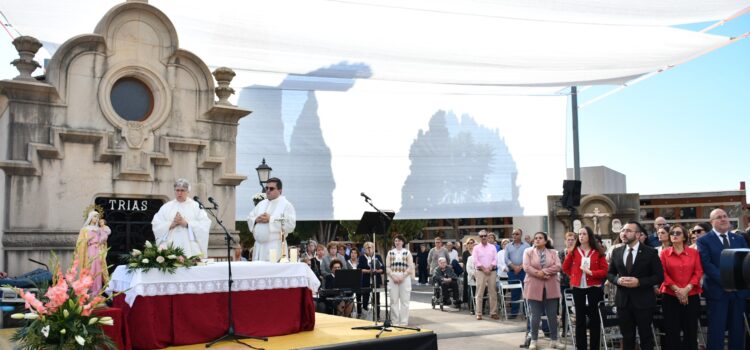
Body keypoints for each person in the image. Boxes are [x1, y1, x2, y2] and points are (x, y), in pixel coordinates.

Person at [606, 221, 664, 350]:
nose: (624, 233)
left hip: (643, 302)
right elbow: (610, 274)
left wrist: (639, 282)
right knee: (627, 337)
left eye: (628, 231)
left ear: (638, 235)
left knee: (646, 336)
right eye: (623, 231)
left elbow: (659, 276)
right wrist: (617, 280)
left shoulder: (650, 252)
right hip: (623, 302)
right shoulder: (617, 252)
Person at [698, 208, 749, 350]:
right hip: (717, 292)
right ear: (711, 222)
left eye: (725, 216)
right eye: (719, 217)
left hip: (738, 292)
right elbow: (707, 265)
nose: (723, 219)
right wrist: (727, 281)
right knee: (716, 331)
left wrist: (738, 283)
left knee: (737, 330)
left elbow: (746, 261)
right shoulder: (704, 241)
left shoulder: (739, 239)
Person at [563, 227, 608, 350]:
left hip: (594, 287)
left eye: (584, 234)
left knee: (595, 318)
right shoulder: (573, 251)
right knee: (580, 319)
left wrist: (592, 273)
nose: (581, 236)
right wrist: (574, 276)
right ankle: (581, 347)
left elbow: (605, 271)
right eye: (580, 234)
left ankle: (595, 347)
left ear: (590, 236)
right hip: (578, 288)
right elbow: (565, 267)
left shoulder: (598, 251)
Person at [659, 224, 702, 350]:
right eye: (672, 233)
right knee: (672, 331)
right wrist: (678, 290)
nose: (674, 235)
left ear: (684, 237)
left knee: (691, 330)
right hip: (670, 296)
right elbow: (663, 273)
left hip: (691, 295)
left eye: (678, 233)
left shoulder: (694, 253)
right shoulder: (664, 253)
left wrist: (686, 289)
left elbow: (698, 272)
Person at [523, 232, 564, 350]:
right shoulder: (528, 252)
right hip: (533, 286)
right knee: (535, 315)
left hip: (550, 286)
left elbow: (558, 266)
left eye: (540, 238)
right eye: (535, 238)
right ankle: (534, 340)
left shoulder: (553, 253)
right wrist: (539, 274)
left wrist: (544, 272)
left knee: (552, 315)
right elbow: (526, 267)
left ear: (545, 241)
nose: (537, 240)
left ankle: (554, 340)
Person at [151, 178, 211, 257]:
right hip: (170, 246)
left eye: (182, 190)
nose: (179, 193)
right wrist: (171, 224)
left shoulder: (196, 206)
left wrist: (186, 224)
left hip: (190, 247)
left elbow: (205, 224)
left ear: (188, 191)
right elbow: (156, 223)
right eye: (177, 190)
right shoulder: (166, 207)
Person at [247, 177, 296, 262]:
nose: (268, 190)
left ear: (280, 191)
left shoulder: (286, 205)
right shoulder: (261, 204)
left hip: (274, 247)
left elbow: (290, 224)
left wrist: (271, 219)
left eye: (271, 188)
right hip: (259, 247)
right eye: (266, 188)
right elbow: (250, 217)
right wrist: (256, 220)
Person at [75, 210, 111, 295]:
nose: (97, 218)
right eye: (95, 216)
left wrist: (102, 240)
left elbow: (104, 239)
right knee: (90, 269)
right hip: (89, 250)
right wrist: (87, 240)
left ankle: (97, 292)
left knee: (98, 270)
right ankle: (88, 292)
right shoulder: (85, 229)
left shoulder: (99, 229)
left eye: (98, 217)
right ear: (90, 217)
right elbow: (79, 243)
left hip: (97, 250)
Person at [386, 235, 415, 326]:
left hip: (405, 279)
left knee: (405, 301)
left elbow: (410, 267)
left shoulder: (407, 252)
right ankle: (395, 322)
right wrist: (393, 276)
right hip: (392, 278)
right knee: (393, 301)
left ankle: (403, 322)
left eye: (399, 240)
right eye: (395, 241)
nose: (397, 242)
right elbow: (387, 267)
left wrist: (403, 276)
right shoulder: (390, 253)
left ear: (403, 242)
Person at [472, 230, 498, 320]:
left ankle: (493, 313)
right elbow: (475, 260)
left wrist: (490, 268)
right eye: (481, 236)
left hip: (492, 271)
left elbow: (495, 259)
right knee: (479, 293)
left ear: (487, 236)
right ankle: (478, 313)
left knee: (493, 293)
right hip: (480, 272)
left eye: (485, 236)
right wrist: (484, 269)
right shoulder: (476, 248)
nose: (483, 237)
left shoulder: (493, 247)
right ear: (479, 237)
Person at [505, 228, 530, 318]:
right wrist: (514, 267)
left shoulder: (527, 246)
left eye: (517, 234)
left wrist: (520, 267)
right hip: (512, 272)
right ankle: (514, 313)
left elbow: (529, 258)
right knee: (514, 293)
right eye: (513, 234)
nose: (514, 236)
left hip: (524, 271)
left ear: (521, 235)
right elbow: (506, 259)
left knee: (526, 292)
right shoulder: (508, 246)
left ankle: (526, 312)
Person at [358, 241, 384, 317]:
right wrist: (369, 271)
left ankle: (377, 316)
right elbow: (359, 269)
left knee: (377, 299)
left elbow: (383, 269)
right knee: (365, 299)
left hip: (376, 280)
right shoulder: (362, 257)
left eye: (370, 247)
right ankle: (365, 315)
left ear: (373, 248)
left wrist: (377, 271)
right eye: (367, 248)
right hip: (366, 281)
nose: (369, 249)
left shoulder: (377, 257)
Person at [557, 232, 576, 337]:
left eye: (572, 239)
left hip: (577, 283)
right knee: (565, 306)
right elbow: (561, 267)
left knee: (577, 305)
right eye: (568, 239)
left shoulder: (578, 252)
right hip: (565, 283)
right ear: (565, 241)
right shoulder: (561, 253)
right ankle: (565, 329)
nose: (570, 241)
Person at [462, 238, 476, 313]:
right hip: (468, 273)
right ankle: (469, 305)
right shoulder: (465, 253)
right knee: (468, 290)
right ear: (467, 244)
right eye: (469, 243)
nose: (470, 244)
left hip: (477, 273)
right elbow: (465, 263)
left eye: (472, 242)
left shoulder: (476, 252)